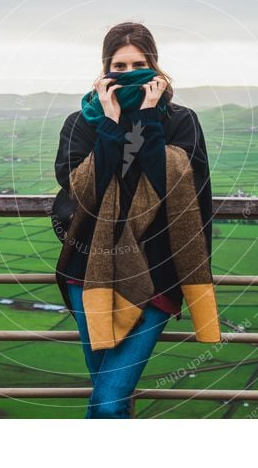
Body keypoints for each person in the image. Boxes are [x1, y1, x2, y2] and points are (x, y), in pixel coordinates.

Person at [51, 21, 220, 419]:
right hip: (88, 272)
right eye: (119, 66)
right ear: (105, 70)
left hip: (157, 274)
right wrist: (110, 122)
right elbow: (83, 188)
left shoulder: (180, 121)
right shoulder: (81, 124)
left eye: (138, 64)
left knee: (109, 403)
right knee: (106, 400)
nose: (129, 74)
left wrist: (145, 117)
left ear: (156, 68)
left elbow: (174, 180)